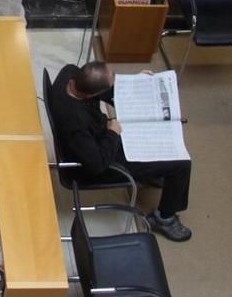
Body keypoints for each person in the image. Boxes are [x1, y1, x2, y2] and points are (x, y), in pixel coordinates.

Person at [47, 61, 194, 242]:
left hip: (99, 138)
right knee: (180, 164)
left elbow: (105, 91)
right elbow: (97, 165)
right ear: (92, 94)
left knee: (153, 127)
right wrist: (112, 132)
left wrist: (134, 84)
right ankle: (164, 218)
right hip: (100, 161)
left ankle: (155, 171)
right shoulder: (75, 124)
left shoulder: (70, 73)